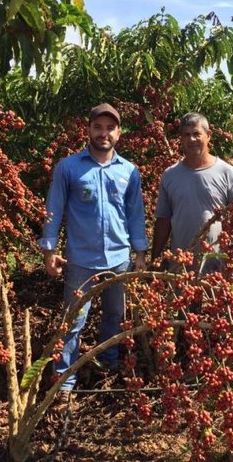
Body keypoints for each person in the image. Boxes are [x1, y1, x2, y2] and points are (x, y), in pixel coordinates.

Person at [39, 103, 148, 392]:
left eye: (110, 128)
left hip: (119, 259)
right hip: (81, 261)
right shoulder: (69, 167)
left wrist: (140, 252)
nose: (104, 133)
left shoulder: (129, 171)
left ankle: (108, 364)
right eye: (98, 127)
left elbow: (135, 214)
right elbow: (54, 210)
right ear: (88, 130)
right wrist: (49, 250)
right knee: (73, 321)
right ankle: (63, 381)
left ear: (119, 133)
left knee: (115, 315)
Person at [151, 112, 233, 274]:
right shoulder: (170, 175)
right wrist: (155, 259)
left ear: (208, 136)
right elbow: (163, 220)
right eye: (186, 135)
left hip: (218, 269)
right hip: (181, 267)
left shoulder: (227, 173)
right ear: (181, 139)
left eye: (196, 134)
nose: (192, 139)